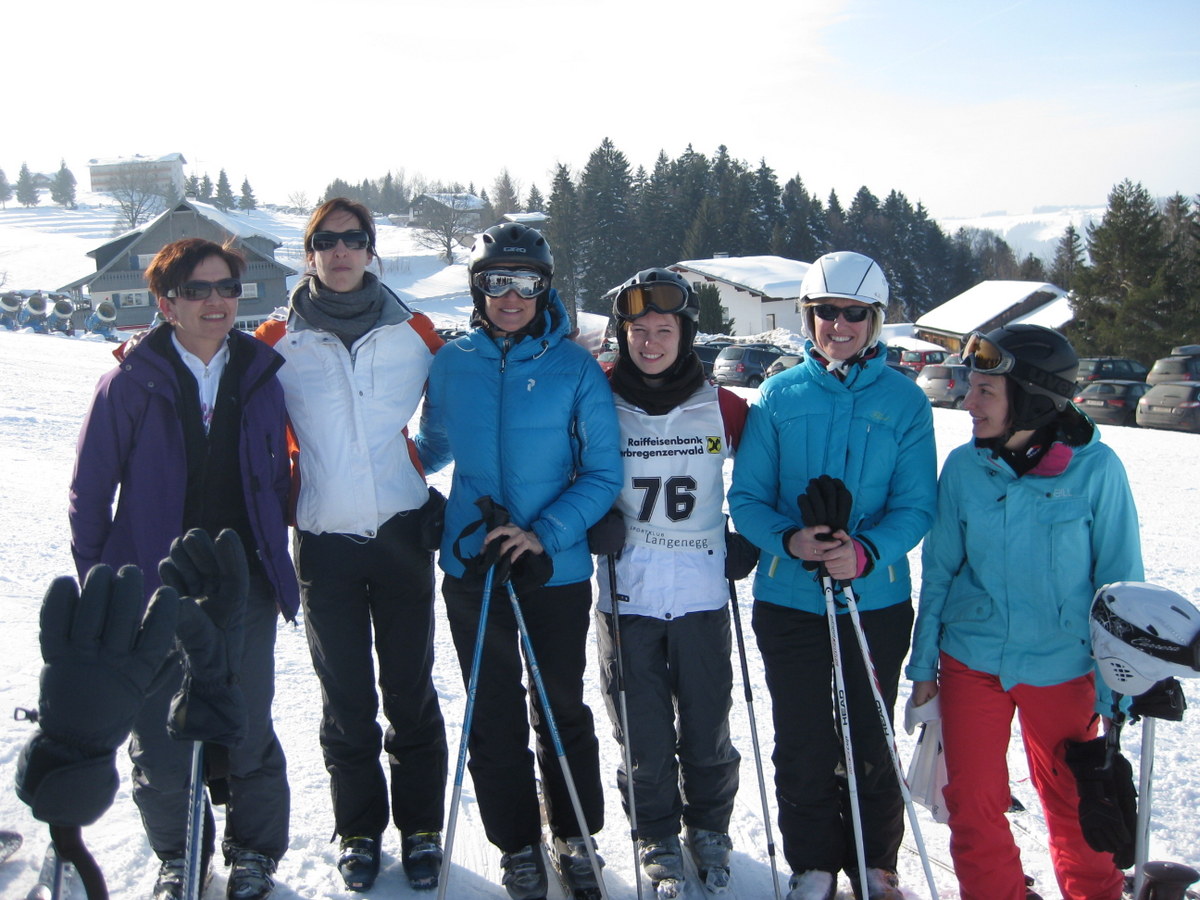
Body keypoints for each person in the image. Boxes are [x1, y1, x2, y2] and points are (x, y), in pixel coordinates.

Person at [68, 237, 299, 900]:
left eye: (227, 287)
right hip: (152, 591)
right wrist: (100, 586)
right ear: (167, 303)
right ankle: (180, 854)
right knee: (162, 736)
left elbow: (275, 477)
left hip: (243, 583)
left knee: (246, 723)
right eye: (197, 290)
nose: (215, 301)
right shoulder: (129, 383)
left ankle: (253, 852)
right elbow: (90, 492)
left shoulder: (260, 374)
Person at [906, 324, 1143, 900]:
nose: (968, 401)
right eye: (970, 387)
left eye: (985, 390)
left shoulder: (1096, 469)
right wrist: (924, 665)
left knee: (1078, 798)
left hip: (1062, 665)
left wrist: (1117, 687)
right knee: (972, 802)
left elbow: (1119, 586)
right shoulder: (963, 468)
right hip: (972, 658)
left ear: (1033, 398)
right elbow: (939, 572)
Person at [727, 251, 937, 900]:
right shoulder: (779, 395)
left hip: (874, 599)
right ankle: (813, 864)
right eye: (825, 312)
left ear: (875, 320)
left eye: (853, 313)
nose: (838, 325)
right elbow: (747, 499)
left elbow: (916, 505)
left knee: (869, 735)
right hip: (790, 599)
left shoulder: (905, 401)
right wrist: (790, 539)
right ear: (807, 316)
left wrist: (865, 552)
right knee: (804, 739)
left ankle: (876, 862)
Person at [422, 222, 622, 900]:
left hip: (552, 569)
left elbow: (603, 472)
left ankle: (575, 834)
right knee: (492, 708)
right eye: (496, 282)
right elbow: (433, 446)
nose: (511, 297)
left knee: (560, 704)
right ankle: (516, 843)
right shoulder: (451, 363)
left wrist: (546, 533)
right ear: (477, 289)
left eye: (526, 283)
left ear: (545, 289)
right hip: (474, 564)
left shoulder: (574, 367)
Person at [255, 198, 449, 892]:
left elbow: (453, 410)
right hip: (323, 538)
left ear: (371, 250)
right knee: (345, 695)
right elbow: (214, 374)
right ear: (309, 253)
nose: (340, 251)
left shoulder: (414, 332)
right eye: (326, 240)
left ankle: (421, 829)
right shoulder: (276, 338)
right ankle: (359, 829)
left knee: (409, 688)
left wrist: (416, 468)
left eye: (353, 238)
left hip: (400, 533)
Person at [594, 268, 749, 893]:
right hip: (627, 592)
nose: (650, 342)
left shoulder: (722, 404)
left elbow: (766, 476)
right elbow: (568, 470)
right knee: (642, 728)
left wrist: (751, 534)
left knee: (707, 722)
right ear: (622, 335)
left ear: (685, 335)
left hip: (700, 593)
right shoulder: (597, 398)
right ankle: (655, 831)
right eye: (638, 331)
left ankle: (708, 825)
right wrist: (590, 518)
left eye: (663, 330)